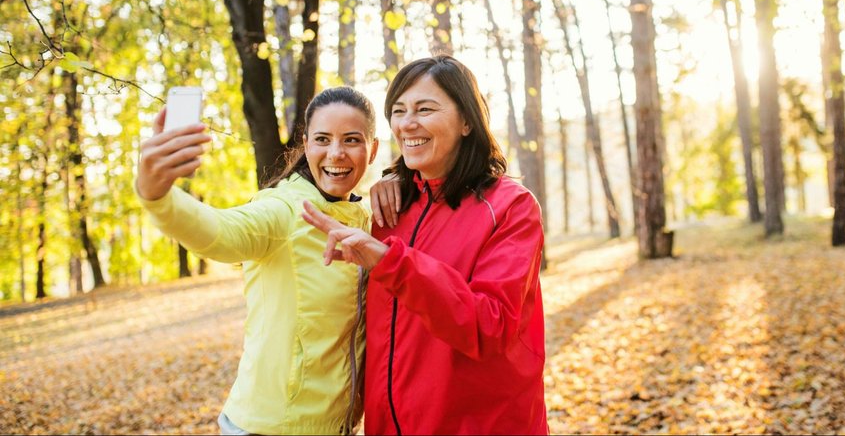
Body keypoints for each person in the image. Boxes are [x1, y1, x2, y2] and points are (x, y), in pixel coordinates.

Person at [302, 55, 548, 435]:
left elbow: (490, 327)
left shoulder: (510, 207)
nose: (407, 123)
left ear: (467, 120)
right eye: (398, 111)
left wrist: (391, 262)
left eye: (424, 109)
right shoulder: (389, 208)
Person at [135, 86, 379, 435]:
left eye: (351, 140)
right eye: (323, 139)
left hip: (337, 427)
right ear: (307, 144)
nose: (336, 153)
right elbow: (220, 232)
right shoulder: (283, 211)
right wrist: (157, 196)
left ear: (372, 150)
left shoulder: (366, 219)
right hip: (270, 426)